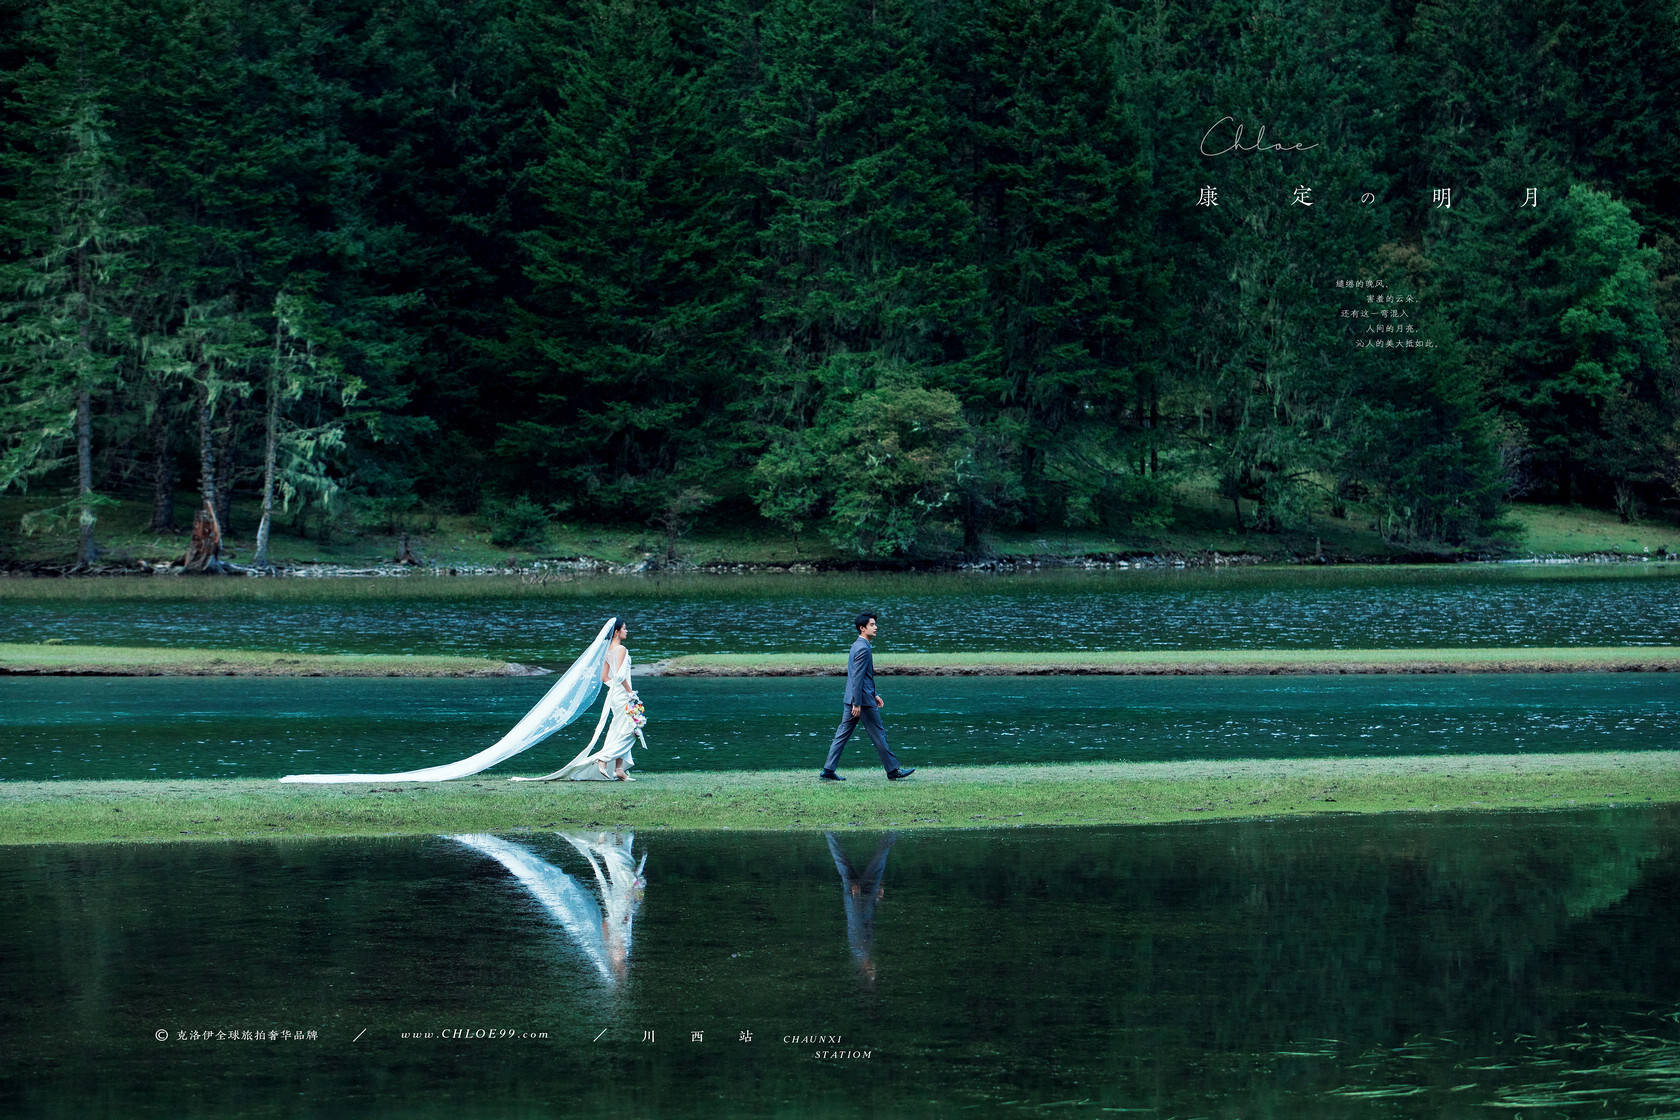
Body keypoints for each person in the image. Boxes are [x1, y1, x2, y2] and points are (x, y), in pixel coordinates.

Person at [521, 616, 646, 782]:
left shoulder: (607, 650)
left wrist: (615, 688)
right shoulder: (621, 649)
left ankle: (618, 769)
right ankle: (604, 758)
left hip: (615, 694)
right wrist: (630, 693)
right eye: (624, 628)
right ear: (616, 632)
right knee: (630, 730)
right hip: (624, 694)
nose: (626, 631)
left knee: (618, 729)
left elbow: (604, 677)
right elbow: (621, 675)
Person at [820, 611, 915, 782]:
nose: (875, 627)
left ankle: (828, 770)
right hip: (861, 702)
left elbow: (861, 677)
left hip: (854, 699)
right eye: (872, 625)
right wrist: (858, 703)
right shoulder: (863, 648)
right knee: (879, 734)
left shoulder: (857, 645)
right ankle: (893, 770)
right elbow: (857, 678)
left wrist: (874, 694)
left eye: (875, 624)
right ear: (862, 628)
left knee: (842, 734)